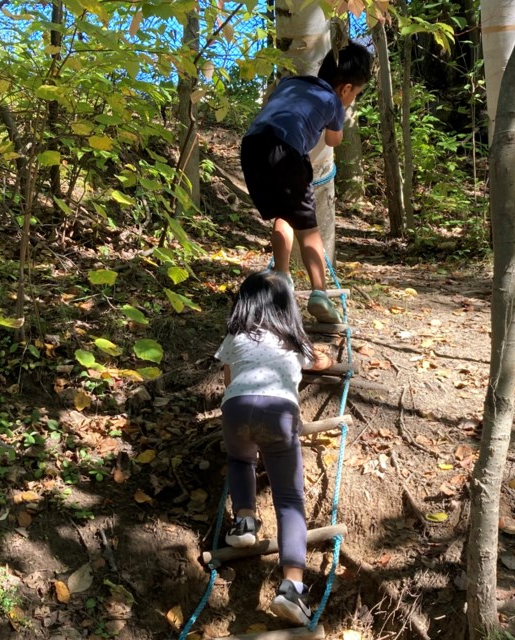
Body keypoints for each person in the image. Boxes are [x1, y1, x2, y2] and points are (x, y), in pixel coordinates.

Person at [214, 270, 332, 625]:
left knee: (240, 460)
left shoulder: (236, 335)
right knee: (289, 498)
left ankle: (245, 522)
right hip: (280, 412)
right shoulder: (293, 340)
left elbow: (228, 377)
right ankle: (292, 588)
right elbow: (321, 363)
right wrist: (318, 357)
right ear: (287, 308)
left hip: (235, 408)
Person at [240, 40, 374, 324]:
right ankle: (319, 294)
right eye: (356, 94)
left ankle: (282, 278)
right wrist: (339, 115)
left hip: (252, 148)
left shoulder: (290, 83)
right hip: (287, 152)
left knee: (283, 214)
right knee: (308, 229)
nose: (353, 99)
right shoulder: (333, 101)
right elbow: (333, 139)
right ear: (347, 88)